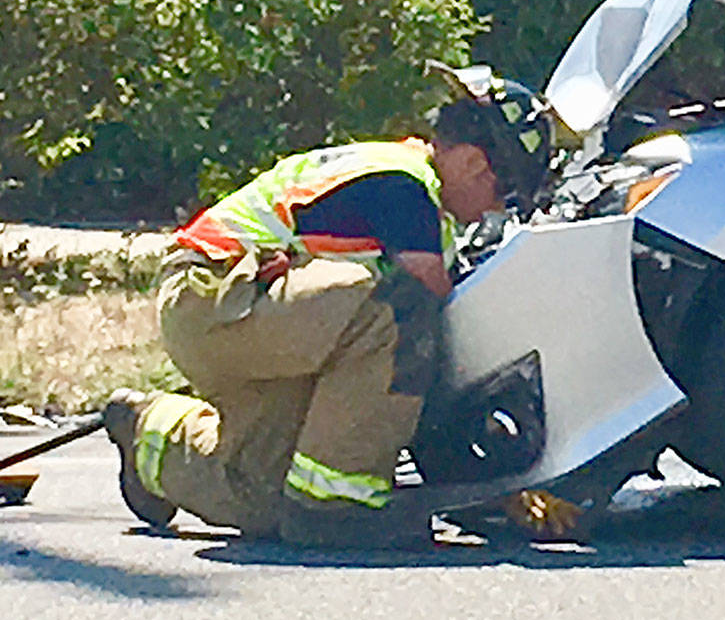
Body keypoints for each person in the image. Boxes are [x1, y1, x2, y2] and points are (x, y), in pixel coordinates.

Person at [102, 86, 578, 548]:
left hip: (245, 315)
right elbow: (432, 352)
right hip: (216, 295)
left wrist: (505, 488)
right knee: (401, 303)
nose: (495, 211)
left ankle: (148, 431)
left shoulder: (414, 189)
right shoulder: (404, 186)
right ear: (475, 163)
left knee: (264, 497)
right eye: (505, 191)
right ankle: (335, 508)